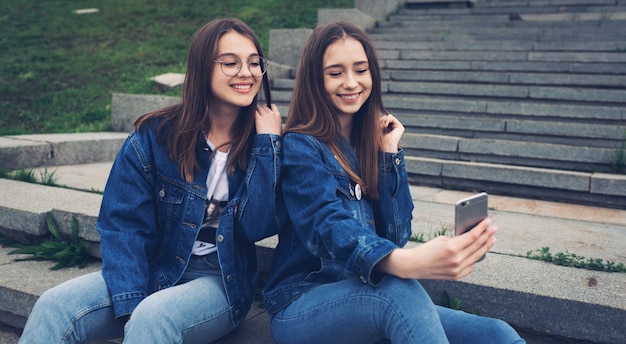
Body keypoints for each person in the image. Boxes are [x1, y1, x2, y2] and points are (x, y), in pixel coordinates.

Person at [19, 18, 283, 344]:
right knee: (55, 305)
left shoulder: (264, 140)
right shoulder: (154, 137)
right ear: (202, 69)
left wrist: (267, 145)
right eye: (230, 63)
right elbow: (122, 223)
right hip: (152, 266)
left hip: (219, 279)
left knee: (154, 316)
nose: (246, 72)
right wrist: (131, 300)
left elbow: (259, 226)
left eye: (255, 63)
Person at [262, 21, 525, 344]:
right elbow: (326, 224)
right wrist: (409, 262)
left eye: (360, 70)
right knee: (397, 288)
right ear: (316, 80)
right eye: (335, 73)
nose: (351, 83)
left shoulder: (372, 145)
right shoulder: (302, 146)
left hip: (370, 296)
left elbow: (396, 235)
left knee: (496, 334)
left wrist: (389, 155)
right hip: (303, 306)